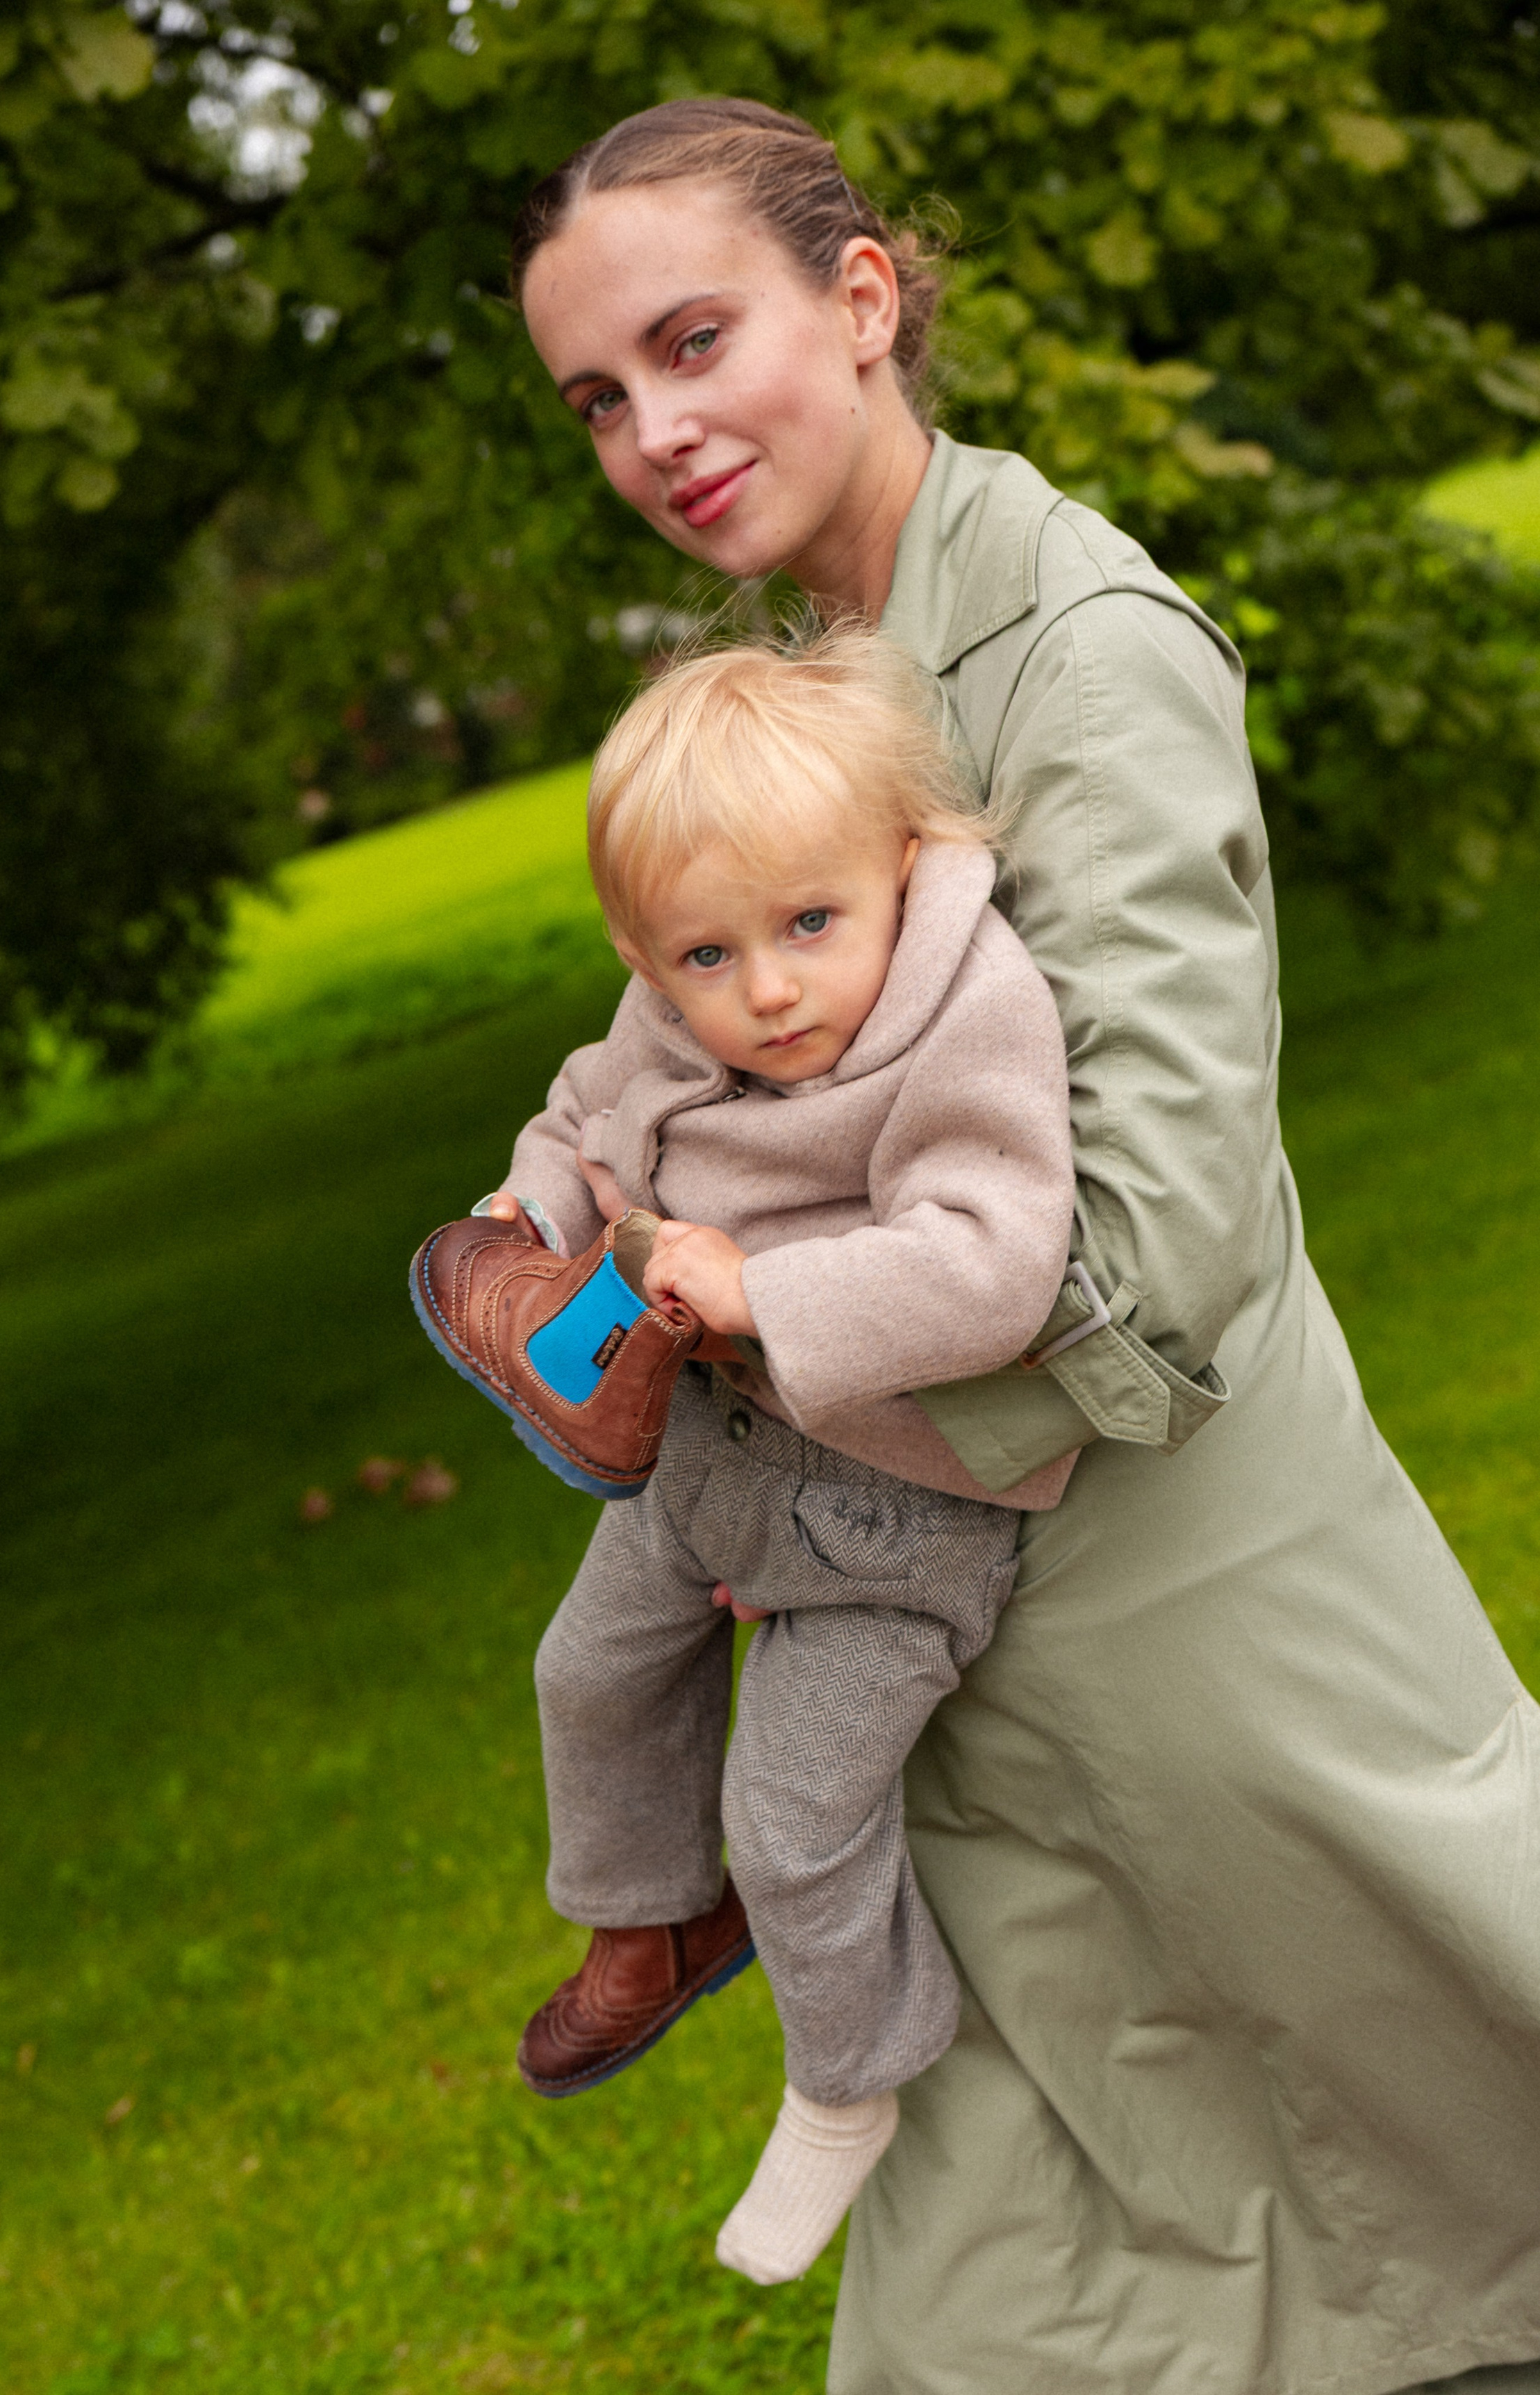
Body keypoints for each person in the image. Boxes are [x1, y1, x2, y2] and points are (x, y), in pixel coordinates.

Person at [502, 94, 1540, 2395]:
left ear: (864, 299)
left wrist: (758, 1362)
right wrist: (588, 1284)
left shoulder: (1085, 651)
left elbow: (1156, 1255)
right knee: (1025, 2300)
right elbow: (708, 1091)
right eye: (598, 395)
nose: (654, 431)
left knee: (1465, 2165)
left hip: (1197, 1627)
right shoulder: (823, 681)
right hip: (936, 1641)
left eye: (693, 342)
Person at [475, 625, 1079, 2285]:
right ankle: (653, 1914)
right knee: (585, 1670)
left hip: (894, 1512)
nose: (767, 991)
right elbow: (582, 1108)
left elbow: (996, 1258)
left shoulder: (963, 1009)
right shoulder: (676, 1014)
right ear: (643, 950)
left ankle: (844, 2081)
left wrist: (761, 1287)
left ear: (901, 858)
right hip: (705, 1463)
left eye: (810, 923)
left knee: (794, 1817)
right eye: (706, 953)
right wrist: (523, 1212)